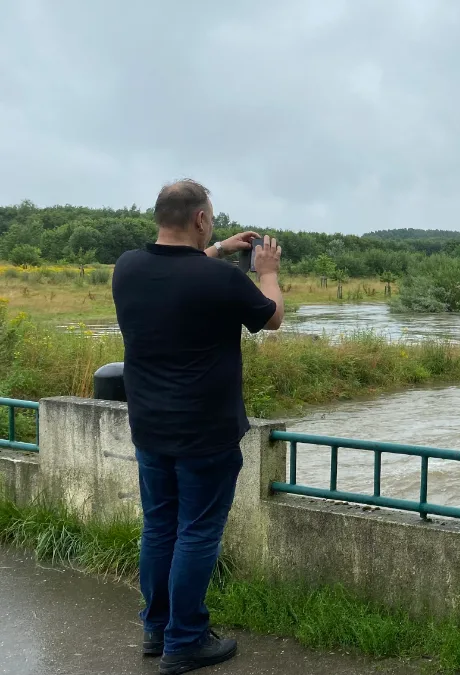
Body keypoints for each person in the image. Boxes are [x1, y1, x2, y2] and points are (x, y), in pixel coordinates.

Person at [112, 179, 284, 675]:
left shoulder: (127, 268)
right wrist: (266, 271)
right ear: (201, 219)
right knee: (197, 532)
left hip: (149, 427)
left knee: (160, 527)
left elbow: (179, 267)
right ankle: (185, 641)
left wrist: (219, 249)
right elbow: (271, 318)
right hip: (205, 433)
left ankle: (157, 629)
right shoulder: (224, 281)